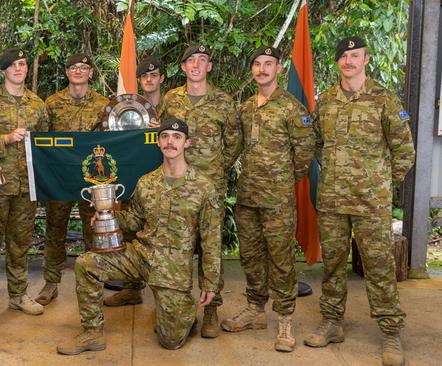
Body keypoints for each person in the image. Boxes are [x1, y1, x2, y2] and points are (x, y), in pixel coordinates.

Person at [56, 117, 222, 354]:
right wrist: (107, 217)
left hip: (172, 269)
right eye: (164, 136)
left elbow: (211, 241)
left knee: (170, 341)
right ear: (158, 142)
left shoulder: (204, 187)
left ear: (187, 143)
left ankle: (182, 313)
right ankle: (92, 333)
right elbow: (133, 219)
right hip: (141, 255)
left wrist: (210, 282)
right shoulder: (147, 182)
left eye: (177, 137)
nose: (170, 142)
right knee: (86, 264)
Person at [303, 37, 415, 366]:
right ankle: (332, 322)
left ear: (366, 58)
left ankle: (391, 333)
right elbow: (317, 144)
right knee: (333, 267)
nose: (348, 61)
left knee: (380, 269)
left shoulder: (384, 98)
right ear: (338, 62)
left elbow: (404, 151)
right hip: (333, 201)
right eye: (343, 56)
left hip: (371, 204)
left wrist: (378, 183)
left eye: (355, 55)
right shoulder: (326, 101)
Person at [220, 46, 315, 352]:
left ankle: (285, 319)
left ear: (279, 68)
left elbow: (305, 153)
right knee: (249, 256)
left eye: (268, 64)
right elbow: (235, 147)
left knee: (281, 260)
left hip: (278, 200)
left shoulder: (291, 107)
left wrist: (283, 179)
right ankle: (255, 309)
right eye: (257, 64)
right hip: (248, 196)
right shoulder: (246, 107)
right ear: (253, 70)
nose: (262, 69)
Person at [159, 44, 241, 338]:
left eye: (202, 59)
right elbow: (160, 136)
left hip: (210, 187)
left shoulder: (223, 101)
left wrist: (215, 169)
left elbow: (233, 141)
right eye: (190, 60)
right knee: (176, 243)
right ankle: (177, 301)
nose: (196, 64)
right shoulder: (171, 99)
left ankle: (211, 309)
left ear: (209, 66)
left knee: (210, 246)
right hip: (175, 186)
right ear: (183, 67)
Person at [0, 48, 50, 321]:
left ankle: (19, 295)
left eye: (23, 64)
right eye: (13, 65)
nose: (19, 69)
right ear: (5, 70)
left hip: (26, 185)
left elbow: (45, 143)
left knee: (20, 243)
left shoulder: (37, 104)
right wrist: (6, 138)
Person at [35, 53, 109, 306]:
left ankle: (92, 281)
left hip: (92, 177)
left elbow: (111, 140)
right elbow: (42, 139)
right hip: (60, 176)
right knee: (55, 229)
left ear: (91, 73)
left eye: (84, 67)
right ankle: (51, 282)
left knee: (93, 229)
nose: (78, 71)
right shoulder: (53, 103)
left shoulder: (103, 104)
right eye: (73, 68)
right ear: (67, 72)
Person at [103, 55, 167, 308]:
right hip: (134, 180)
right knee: (130, 230)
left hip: (165, 182)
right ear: (139, 80)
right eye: (144, 76)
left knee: (163, 235)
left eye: (154, 75)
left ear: (161, 78)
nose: (149, 79)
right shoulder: (128, 108)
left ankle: (166, 288)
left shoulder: (173, 105)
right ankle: (131, 289)